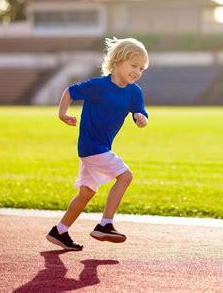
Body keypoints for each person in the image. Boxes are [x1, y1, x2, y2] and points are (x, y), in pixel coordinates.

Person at [46, 37, 149, 250]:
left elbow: (140, 116)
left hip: (99, 149)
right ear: (117, 61)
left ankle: (60, 231)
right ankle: (105, 224)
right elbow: (70, 91)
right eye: (133, 66)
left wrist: (141, 119)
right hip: (92, 147)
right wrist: (62, 113)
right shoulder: (98, 86)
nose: (137, 72)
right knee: (126, 176)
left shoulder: (134, 92)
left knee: (87, 193)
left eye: (141, 68)